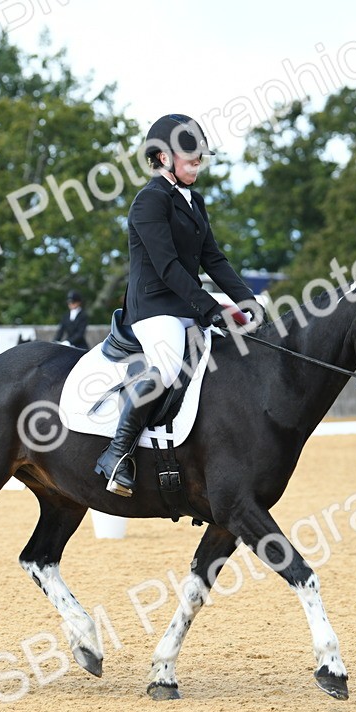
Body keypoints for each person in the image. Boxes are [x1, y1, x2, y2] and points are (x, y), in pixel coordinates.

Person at [94, 113, 264, 497]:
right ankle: (116, 454)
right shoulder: (148, 202)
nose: (198, 165)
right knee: (170, 366)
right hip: (153, 308)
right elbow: (167, 266)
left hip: (186, 306)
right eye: (191, 159)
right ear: (164, 158)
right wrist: (210, 308)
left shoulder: (194, 200)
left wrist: (245, 298)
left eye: (200, 158)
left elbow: (213, 258)